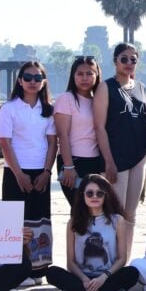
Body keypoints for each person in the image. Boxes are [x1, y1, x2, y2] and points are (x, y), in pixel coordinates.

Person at [0, 61, 57, 283]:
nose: (32, 82)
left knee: (39, 219)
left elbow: (53, 143)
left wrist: (47, 172)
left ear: (43, 83)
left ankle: (38, 269)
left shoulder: (49, 110)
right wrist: (19, 173)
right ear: (20, 81)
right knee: (17, 221)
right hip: (15, 170)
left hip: (41, 169)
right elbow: (5, 143)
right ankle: (18, 269)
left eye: (37, 78)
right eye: (28, 77)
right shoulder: (9, 108)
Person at [46, 174, 140, 291]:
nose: (94, 197)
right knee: (52, 272)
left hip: (107, 276)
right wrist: (85, 280)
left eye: (99, 193)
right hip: (82, 277)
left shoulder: (117, 220)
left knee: (132, 272)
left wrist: (103, 277)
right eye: (89, 193)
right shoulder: (73, 222)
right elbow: (71, 263)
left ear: (106, 195)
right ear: (82, 195)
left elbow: (122, 259)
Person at [93, 43, 146, 258]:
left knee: (131, 213)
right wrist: (108, 161)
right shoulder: (105, 87)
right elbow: (99, 126)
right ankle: (111, 258)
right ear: (115, 61)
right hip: (115, 155)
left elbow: (145, 121)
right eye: (124, 59)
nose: (128, 63)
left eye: (133, 59)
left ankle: (124, 258)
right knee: (115, 212)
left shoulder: (142, 87)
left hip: (138, 155)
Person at [54, 55, 104, 206]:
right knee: (78, 210)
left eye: (90, 73)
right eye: (80, 74)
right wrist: (69, 166)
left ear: (97, 75)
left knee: (94, 211)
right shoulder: (66, 99)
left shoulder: (99, 100)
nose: (85, 78)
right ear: (73, 76)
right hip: (73, 161)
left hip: (96, 162)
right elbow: (62, 135)